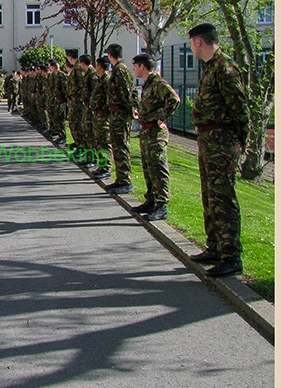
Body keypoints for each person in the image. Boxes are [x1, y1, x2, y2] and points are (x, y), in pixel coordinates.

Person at [188, 23, 249, 277]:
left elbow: (240, 110)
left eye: (191, 43)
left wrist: (240, 144)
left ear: (199, 41)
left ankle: (231, 255)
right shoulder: (211, 68)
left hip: (222, 142)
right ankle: (215, 246)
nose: (191, 47)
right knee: (210, 195)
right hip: (208, 140)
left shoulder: (225, 68)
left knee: (223, 197)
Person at [131, 54, 181, 221]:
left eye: (135, 66)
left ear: (142, 66)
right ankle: (151, 199)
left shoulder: (159, 83)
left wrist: (160, 117)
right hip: (146, 131)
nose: (134, 69)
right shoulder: (148, 84)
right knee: (148, 167)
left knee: (158, 167)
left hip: (156, 132)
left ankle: (161, 204)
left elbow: (173, 99)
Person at [104, 44, 138, 195]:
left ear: (111, 55)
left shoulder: (120, 70)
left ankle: (125, 180)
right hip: (117, 113)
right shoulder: (121, 69)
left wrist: (127, 111)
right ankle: (120, 178)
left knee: (121, 145)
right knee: (117, 145)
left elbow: (125, 93)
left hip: (121, 114)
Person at [90, 56, 112, 180]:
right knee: (99, 141)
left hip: (104, 116)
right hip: (98, 115)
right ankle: (102, 165)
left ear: (100, 66)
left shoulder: (107, 81)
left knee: (104, 142)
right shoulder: (100, 79)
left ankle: (106, 167)